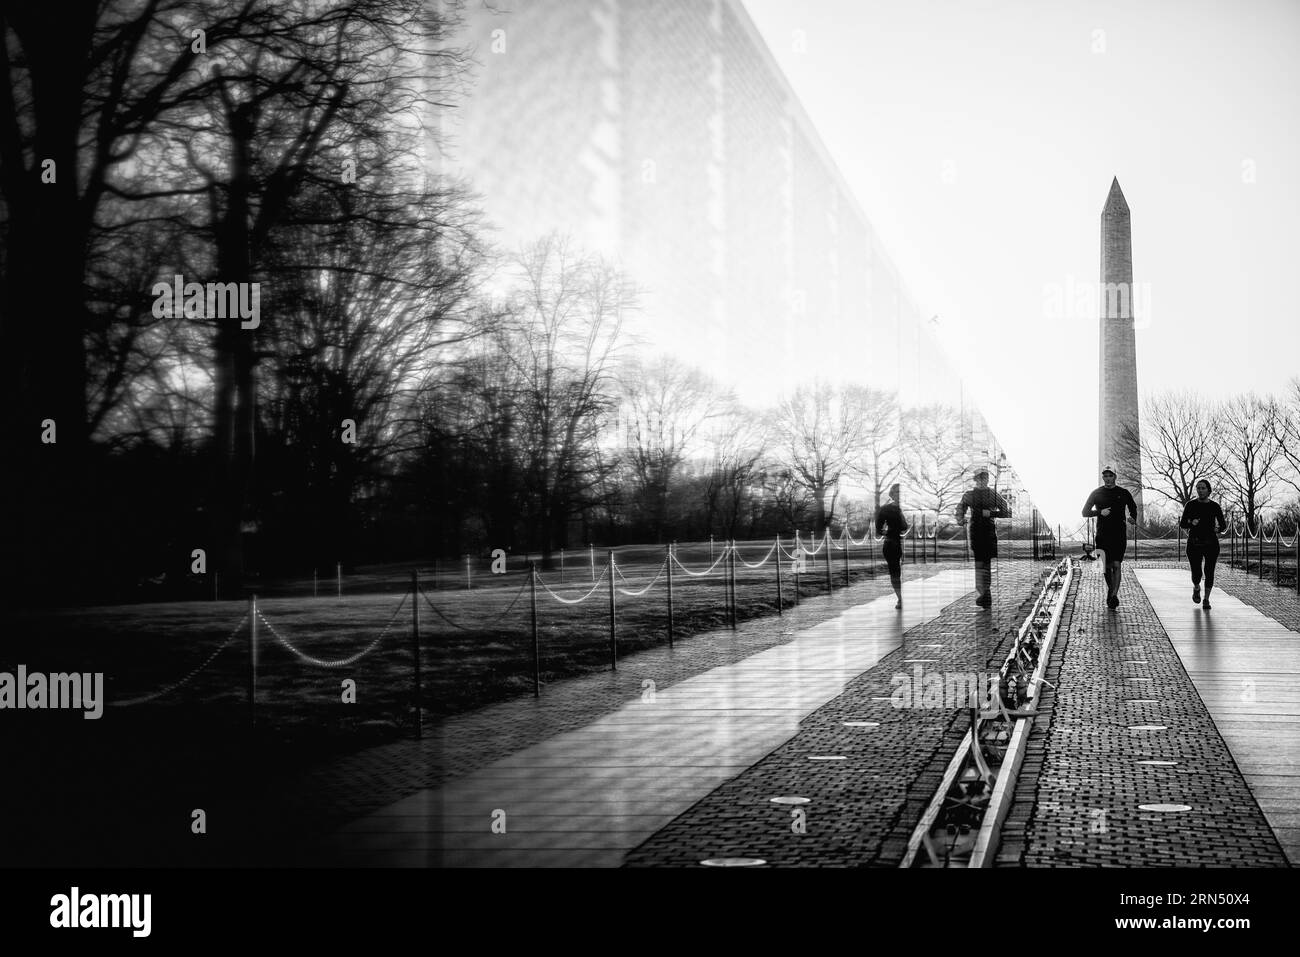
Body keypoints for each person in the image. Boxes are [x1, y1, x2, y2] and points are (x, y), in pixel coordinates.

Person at [1081, 466, 1139, 609]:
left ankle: (1113, 595)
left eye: (1110, 475)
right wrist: (1100, 512)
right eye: (1105, 476)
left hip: (1119, 534)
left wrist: (1133, 517)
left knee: (1116, 564)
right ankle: (1111, 590)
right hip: (1102, 535)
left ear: (1115, 477)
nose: (1107, 478)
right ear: (1103, 477)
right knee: (1105, 567)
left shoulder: (1123, 493)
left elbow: (1133, 507)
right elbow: (1085, 512)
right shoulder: (1096, 493)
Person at [955, 469, 1009, 608]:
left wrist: (990, 513)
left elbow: (1006, 511)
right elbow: (960, 509)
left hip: (989, 533)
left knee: (984, 564)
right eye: (979, 479)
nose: (982, 481)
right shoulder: (969, 495)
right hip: (975, 533)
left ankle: (985, 595)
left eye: (984, 478)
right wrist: (960, 519)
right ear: (975, 480)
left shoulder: (993, 495)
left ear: (987, 480)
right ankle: (985, 595)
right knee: (980, 564)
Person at [1180, 478, 1226, 610]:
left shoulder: (1214, 506)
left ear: (1208, 490)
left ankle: (1206, 599)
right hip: (1194, 542)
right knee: (1196, 572)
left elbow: (1223, 524)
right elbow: (1182, 523)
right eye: (1198, 488)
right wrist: (1191, 523)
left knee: (1209, 571)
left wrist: (1218, 529)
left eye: (1203, 488)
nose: (1200, 490)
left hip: (1211, 542)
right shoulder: (1190, 505)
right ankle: (1196, 587)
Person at [875, 484, 909, 609]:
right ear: (892, 494)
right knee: (895, 572)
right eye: (897, 493)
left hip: (897, 544)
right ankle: (899, 599)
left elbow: (904, 526)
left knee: (896, 573)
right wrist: (888, 533)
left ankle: (900, 599)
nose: (899, 495)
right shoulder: (886, 509)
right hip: (890, 545)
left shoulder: (898, 509)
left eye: (900, 493)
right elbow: (878, 528)